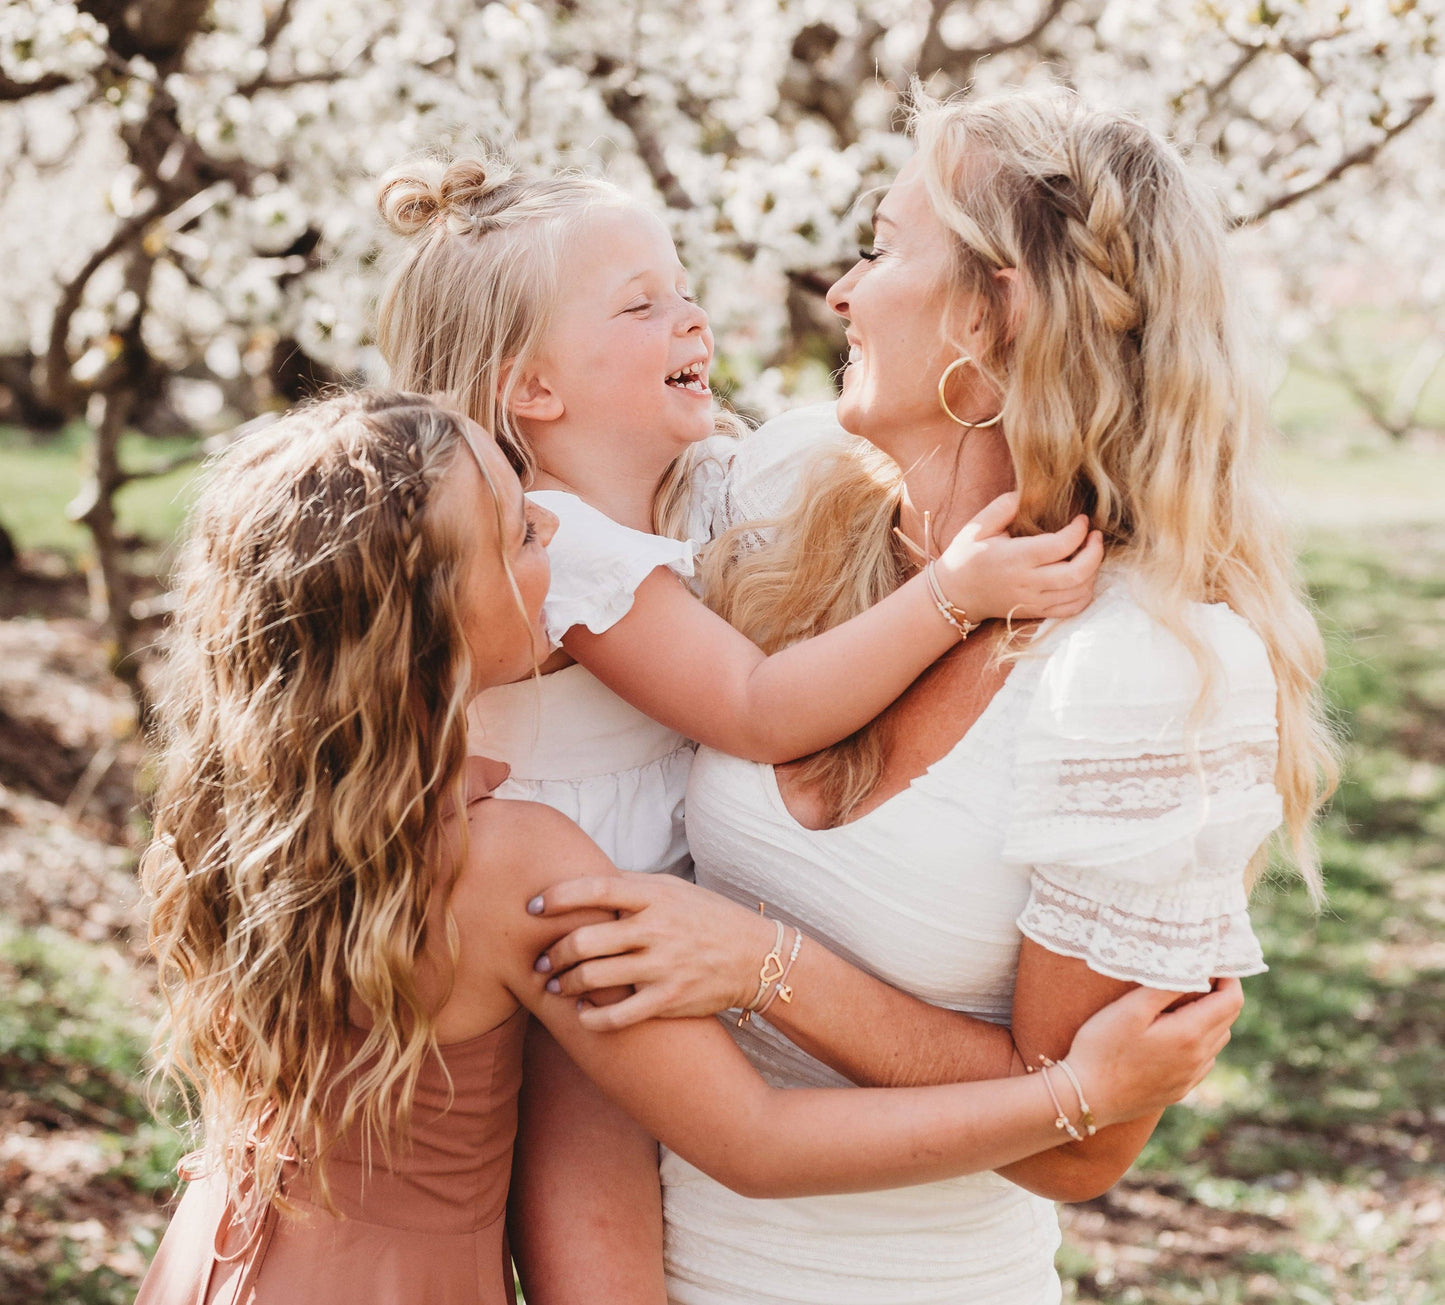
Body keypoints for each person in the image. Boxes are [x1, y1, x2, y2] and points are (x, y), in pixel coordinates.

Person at [132, 391, 1238, 1305]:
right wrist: (1077, 1095)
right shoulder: (511, 862)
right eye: (520, 531)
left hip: (215, 1262)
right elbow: (751, 1139)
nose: (554, 535)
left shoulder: (255, 821)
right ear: (424, 624)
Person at [528, 88, 1338, 1303]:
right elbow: (545, 518)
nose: (839, 294)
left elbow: (1088, 1143)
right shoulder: (786, 490)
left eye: (877, 248)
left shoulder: (1142, 672)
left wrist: (764, 966)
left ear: (992, 309)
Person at [372, 152, 1103, 1300]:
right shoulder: (558, 542)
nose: (691, 314)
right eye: (640, 304)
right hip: (572, 919)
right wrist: (953, 594)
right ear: (532, 392)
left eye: (680, 284)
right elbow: (758, 711)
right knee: (598, 1224)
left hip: (628, 905)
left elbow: (811, 464)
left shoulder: (692, 488)